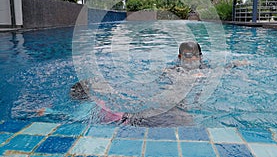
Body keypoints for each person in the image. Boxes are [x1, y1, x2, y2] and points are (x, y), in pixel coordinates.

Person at [38, 41, 205, 126]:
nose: (191, 59)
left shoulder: (99, 104)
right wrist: (49, 112)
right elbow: (72, 119)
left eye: (195, 55)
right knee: (182, 118)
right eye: (96, 82)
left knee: (181, 116)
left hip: (131, 116)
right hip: (129, 119)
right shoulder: (93, 107)